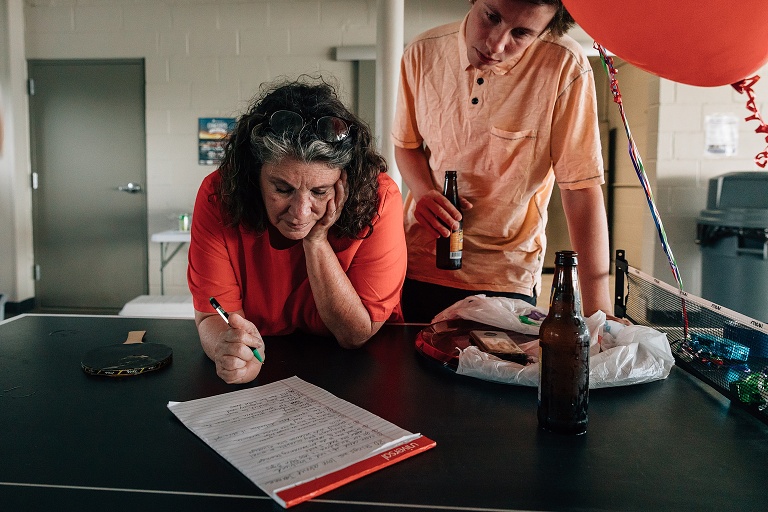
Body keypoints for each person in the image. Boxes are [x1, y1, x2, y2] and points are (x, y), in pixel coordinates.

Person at [393, 0, 614, 322]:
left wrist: (599, 308)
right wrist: (424, 191)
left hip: (508, 272)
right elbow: (407, 145)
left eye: (521, 33)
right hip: (421, 260)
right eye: (491, 17)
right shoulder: (422, 51)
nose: (495, 44)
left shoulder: (564, 63)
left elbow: (580, 188)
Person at [188, 77, 407, 384]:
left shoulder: (379, 198)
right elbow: (213, 316)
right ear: (255, 176)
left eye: (320, 191)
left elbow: (355, 335)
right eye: (282, 188)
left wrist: (316, 241)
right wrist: (229, 349)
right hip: (264, 361)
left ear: (345, 181)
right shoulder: (220, 194)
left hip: (362, 367)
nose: (300, 213)